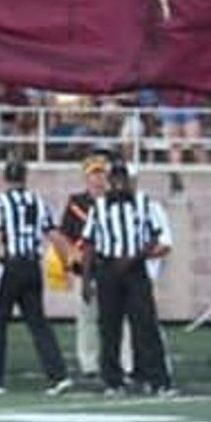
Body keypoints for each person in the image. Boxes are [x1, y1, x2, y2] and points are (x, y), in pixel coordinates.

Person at [81, 162, 172, 396]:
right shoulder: (98, 207)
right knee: (109, 327)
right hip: (108, 269)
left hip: (135, 270)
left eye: (124, 179)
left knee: (145, 324)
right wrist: (86, 279)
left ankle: (157, 379)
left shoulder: (143, 204)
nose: (120, 184)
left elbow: (154, 236)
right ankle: (113, 380)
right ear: (110, 182)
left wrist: (135, 257)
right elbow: (89, 244)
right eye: (116, 179)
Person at [0, 158, 71, 394]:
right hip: (32, 266)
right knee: (38, 323)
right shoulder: (38, 202)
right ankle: (58, 375)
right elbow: (54, 235)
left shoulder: (1, 202)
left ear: (5, 178)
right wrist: (69, 263)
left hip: (10, 266)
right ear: (25, 177)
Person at [58, 157, 109, 378]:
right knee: (87, 317)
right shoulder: (76, 202)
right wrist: (73, 255)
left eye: (101, 173)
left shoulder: (115, 201)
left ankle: (125, 360)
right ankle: (89, 363)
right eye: (93, 174)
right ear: (86, 177)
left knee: (118, 318)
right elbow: (65, 233)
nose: (98, 178)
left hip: (110, 267)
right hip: (85, 269)